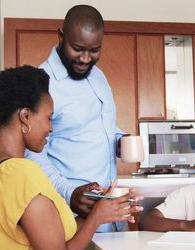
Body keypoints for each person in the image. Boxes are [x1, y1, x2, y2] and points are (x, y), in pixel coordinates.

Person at [0, 66, 142, 250]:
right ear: (26, 116)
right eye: (49, 118)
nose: (51, 128)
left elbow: (53, 236)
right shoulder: (20, 174)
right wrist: (96, 219)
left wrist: (100, 210)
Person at [24, 5, 127, 232]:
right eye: (77, 48)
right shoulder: (42, 83)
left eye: (94, 50)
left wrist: (121, 140)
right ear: (61, 36)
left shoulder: (98, 76)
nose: (85, 59)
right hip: (70, 216)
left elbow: (98, 126)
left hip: (110, 215)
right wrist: (69, 192)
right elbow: (31, 155)